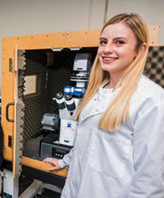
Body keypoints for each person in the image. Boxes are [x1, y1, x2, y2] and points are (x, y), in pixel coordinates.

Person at [43, 13, 164, 197]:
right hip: (77, 189)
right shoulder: (97, 91)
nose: (107, 49)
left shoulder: (150, 99)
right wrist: (64, 161)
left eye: (119, 42)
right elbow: (87, 141)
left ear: (139, 50)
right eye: (103, 42)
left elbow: (150, 179)